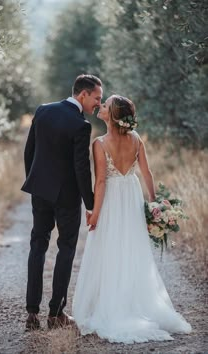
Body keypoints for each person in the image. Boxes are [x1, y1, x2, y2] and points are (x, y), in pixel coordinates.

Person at [72, 95, 192, 343]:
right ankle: (132, 301)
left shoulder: (100, 144)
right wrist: (155, 202)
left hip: (113, 199)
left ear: (113, 116)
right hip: (132, 197)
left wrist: (95, 211)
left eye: (104, 106)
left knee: (109, 249)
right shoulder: (136, 140)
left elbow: (102, 181)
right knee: (133, 249)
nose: (100, 107)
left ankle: (114, 307)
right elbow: (147, 172)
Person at [21, 74, 103, 330]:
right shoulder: (81, 125)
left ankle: (32, 314)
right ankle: (56, 314)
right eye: (97, 98)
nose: (98, 104)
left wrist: (35, 181)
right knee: (66, 249)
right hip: (67, 198)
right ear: (83, 95)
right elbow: (81, 169)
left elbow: (29, 152)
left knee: (37, 246)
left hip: (40, 191)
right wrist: (90, 203)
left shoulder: (43, 111)